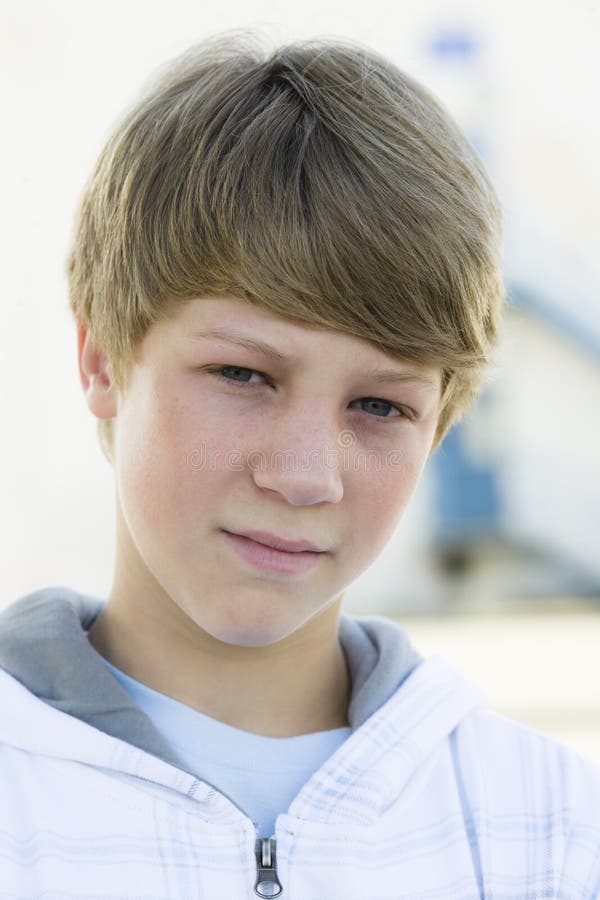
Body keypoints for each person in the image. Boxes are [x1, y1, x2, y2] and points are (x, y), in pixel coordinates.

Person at [0, 30, 598, 899]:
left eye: (380, 406)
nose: (306, 474)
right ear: (101, 360)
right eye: (242, 374)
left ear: (440, 425)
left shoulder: (553, 834)